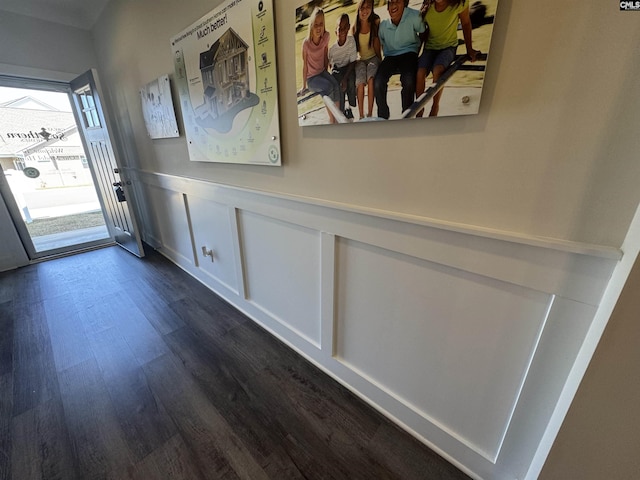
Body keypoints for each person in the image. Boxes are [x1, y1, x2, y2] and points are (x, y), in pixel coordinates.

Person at [415, 0, 478, 117]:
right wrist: (416, 53)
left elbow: (465, 23)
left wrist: (469, 49)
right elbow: (423, 32)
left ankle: (435, 106)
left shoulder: (459, 3)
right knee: (420, 72)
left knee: (437, 70)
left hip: (448, 47)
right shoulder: (427, 6)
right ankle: (419, 109)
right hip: (430, 47)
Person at [374, 0, 425, 119]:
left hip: (409, 52)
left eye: (397, 1)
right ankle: (383, 116)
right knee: (378, 81)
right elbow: (381, 43)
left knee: (408, 79)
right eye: (390, 3)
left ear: (404, 3)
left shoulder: (413, 16)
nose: (393, 6)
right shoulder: (384, 25)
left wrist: (417, 50)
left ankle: (406, 115)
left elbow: (423, 31)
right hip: (390, 56)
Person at [298, 7, 341, 123]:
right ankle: (332, 120)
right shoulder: (306, 44)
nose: (318, 27)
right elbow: (304, 66)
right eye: (315, 24)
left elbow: (325, 54)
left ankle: (337, 117)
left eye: (321, 24)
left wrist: (326, 72)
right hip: (312, 79)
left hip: (321, 72)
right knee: (328, 87)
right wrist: (304, 86)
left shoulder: (326, 36)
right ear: (311, 25)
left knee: (336, 85)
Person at [353, 0, 381, 119]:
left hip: (373, 58)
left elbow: (377, 45)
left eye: (368, 7)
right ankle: (361, 115)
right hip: (361, 59)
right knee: (360, 82)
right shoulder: (355, 28)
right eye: (362, 8)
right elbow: (354, 51)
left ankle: (369, 113)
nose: (365, 11)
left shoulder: (375, 23)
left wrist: (380, 60)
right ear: (358, 9)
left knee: (370, 79)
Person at [329, 14, 358, 120]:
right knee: (337, 82)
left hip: (349, 66)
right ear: (335, 31)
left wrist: (345, 78)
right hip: (338, 69)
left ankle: (350, 107)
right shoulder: (332, 49)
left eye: (345, 27)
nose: (342, 31)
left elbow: (353, 61)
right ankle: (341, 110)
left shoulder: (351, 41)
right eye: (339, 28)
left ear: (349, 27)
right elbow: (331, 65)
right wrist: (340, 78)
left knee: (350, 80)